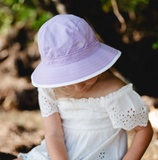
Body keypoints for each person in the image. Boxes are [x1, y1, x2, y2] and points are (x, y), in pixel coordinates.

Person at [15, 14, 153, 160]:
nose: (79, 85)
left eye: (84, 75)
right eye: (68, 78)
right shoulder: (50, 90)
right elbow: (53, 134)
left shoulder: (115, 91)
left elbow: (143, 130)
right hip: (57, 154)